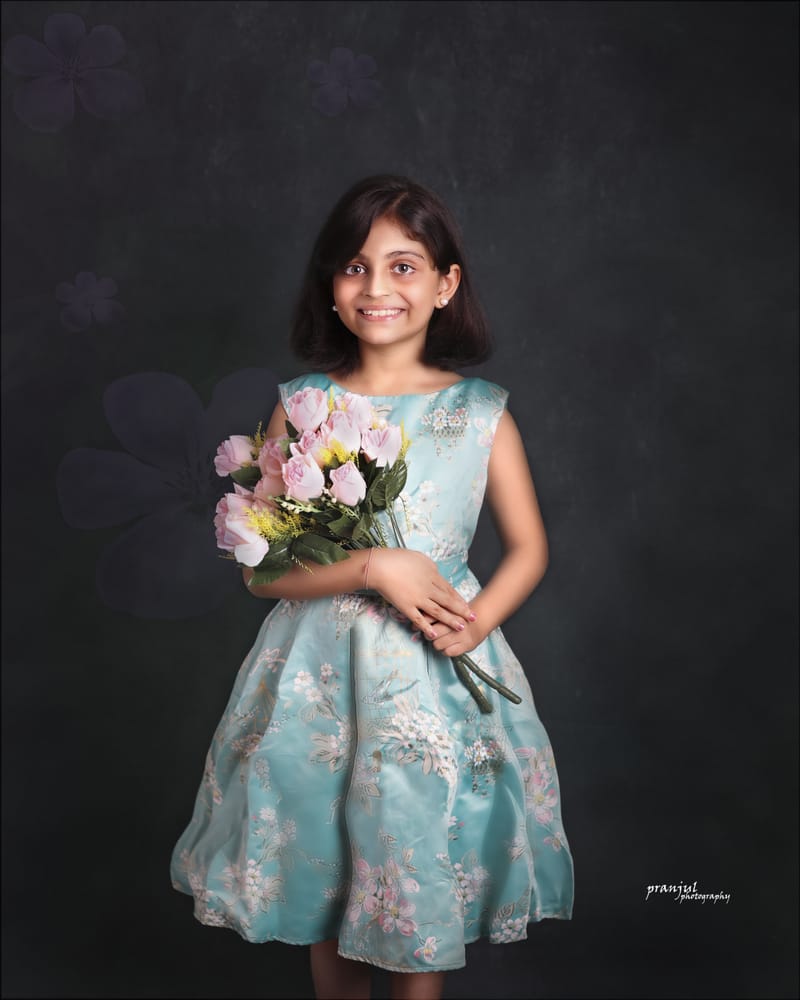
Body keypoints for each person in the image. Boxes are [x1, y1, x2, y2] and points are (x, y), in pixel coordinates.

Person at [171, 174, 574, 1000]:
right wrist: (370, 566)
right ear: (331, 285)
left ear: (444, 284)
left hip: (434, 678)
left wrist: (474, 624)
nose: (378, 287)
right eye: (355, 267)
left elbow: (529, 548)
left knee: (414, 866)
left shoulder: (480, 411)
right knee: (333, 879)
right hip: (321, 680)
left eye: (403, 266)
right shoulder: (303, 406)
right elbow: (262, 569)